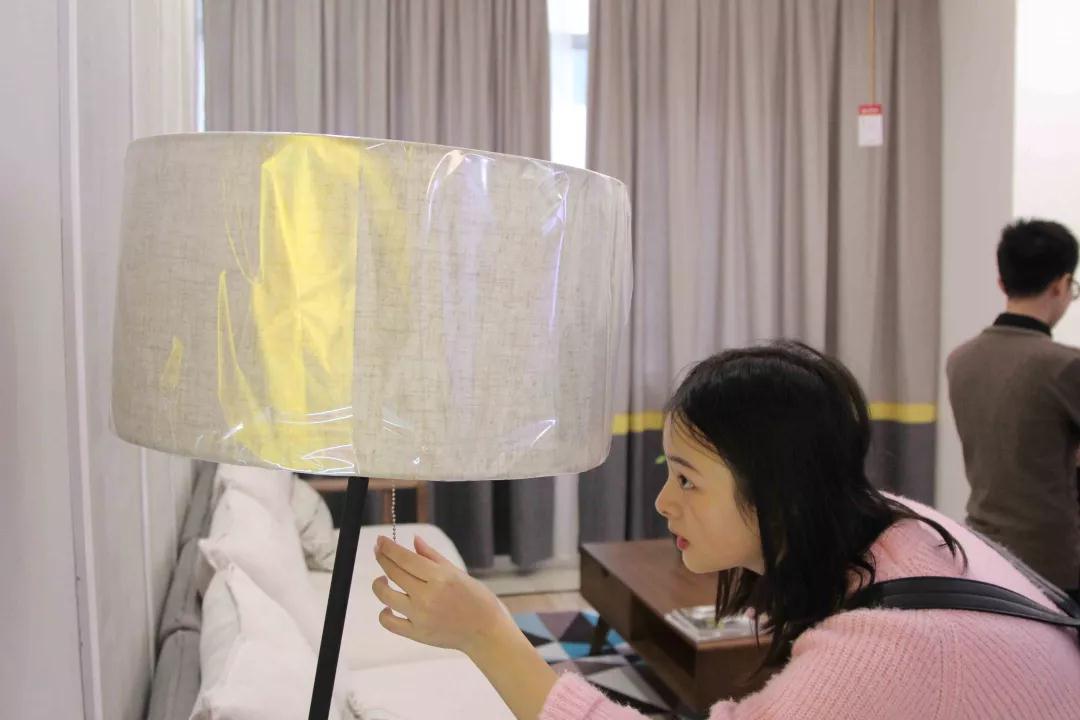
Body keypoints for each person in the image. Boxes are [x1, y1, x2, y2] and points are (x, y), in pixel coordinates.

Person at [372, 343, 1080, 719]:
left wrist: (487, 635)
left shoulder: (879, 654)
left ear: (775, 489)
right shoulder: (893, 522)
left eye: (687, 480)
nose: (662, 502)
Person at [947, 218, 1080, 603]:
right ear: (1061, 285)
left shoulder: (960, 359)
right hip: (1055, 566)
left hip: (984, 555)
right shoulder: (1065, 366)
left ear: (1002, 283)